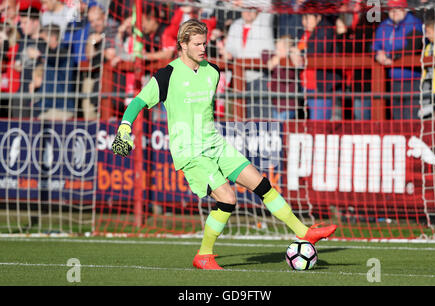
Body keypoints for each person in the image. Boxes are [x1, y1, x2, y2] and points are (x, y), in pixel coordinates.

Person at [111, 19, 337, 270]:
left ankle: (303, 231)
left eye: (204, 43)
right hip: (190, 151)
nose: (202, 48)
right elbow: (137, 102)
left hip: (215, 143)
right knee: (228, 199)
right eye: (197, 44)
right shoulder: (167, 75)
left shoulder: (212, 71)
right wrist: (124, 127)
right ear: (182, 45)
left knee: (261, 183)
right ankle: (204, 255)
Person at [373, 0, 423, 120]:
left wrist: (392, 56)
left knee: (410, 118)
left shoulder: (415, 23)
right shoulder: (384, 26)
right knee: (396, 118)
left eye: (398, 9)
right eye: (391, 9)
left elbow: (413, 46)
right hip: (392, 80)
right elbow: (374, 46)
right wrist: (378, 54)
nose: (394, 12)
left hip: (412, 79)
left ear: (405, 9)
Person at [224, 7, 275, 119]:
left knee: (261, 115)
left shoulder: (264, 21)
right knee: (242, 115)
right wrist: (227, 53)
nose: (247, 13)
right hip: (239, 78)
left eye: (251, 9)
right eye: (245, 9)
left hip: (260, 77)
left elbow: (269, 4)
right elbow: (230, 48)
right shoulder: (236, 25)